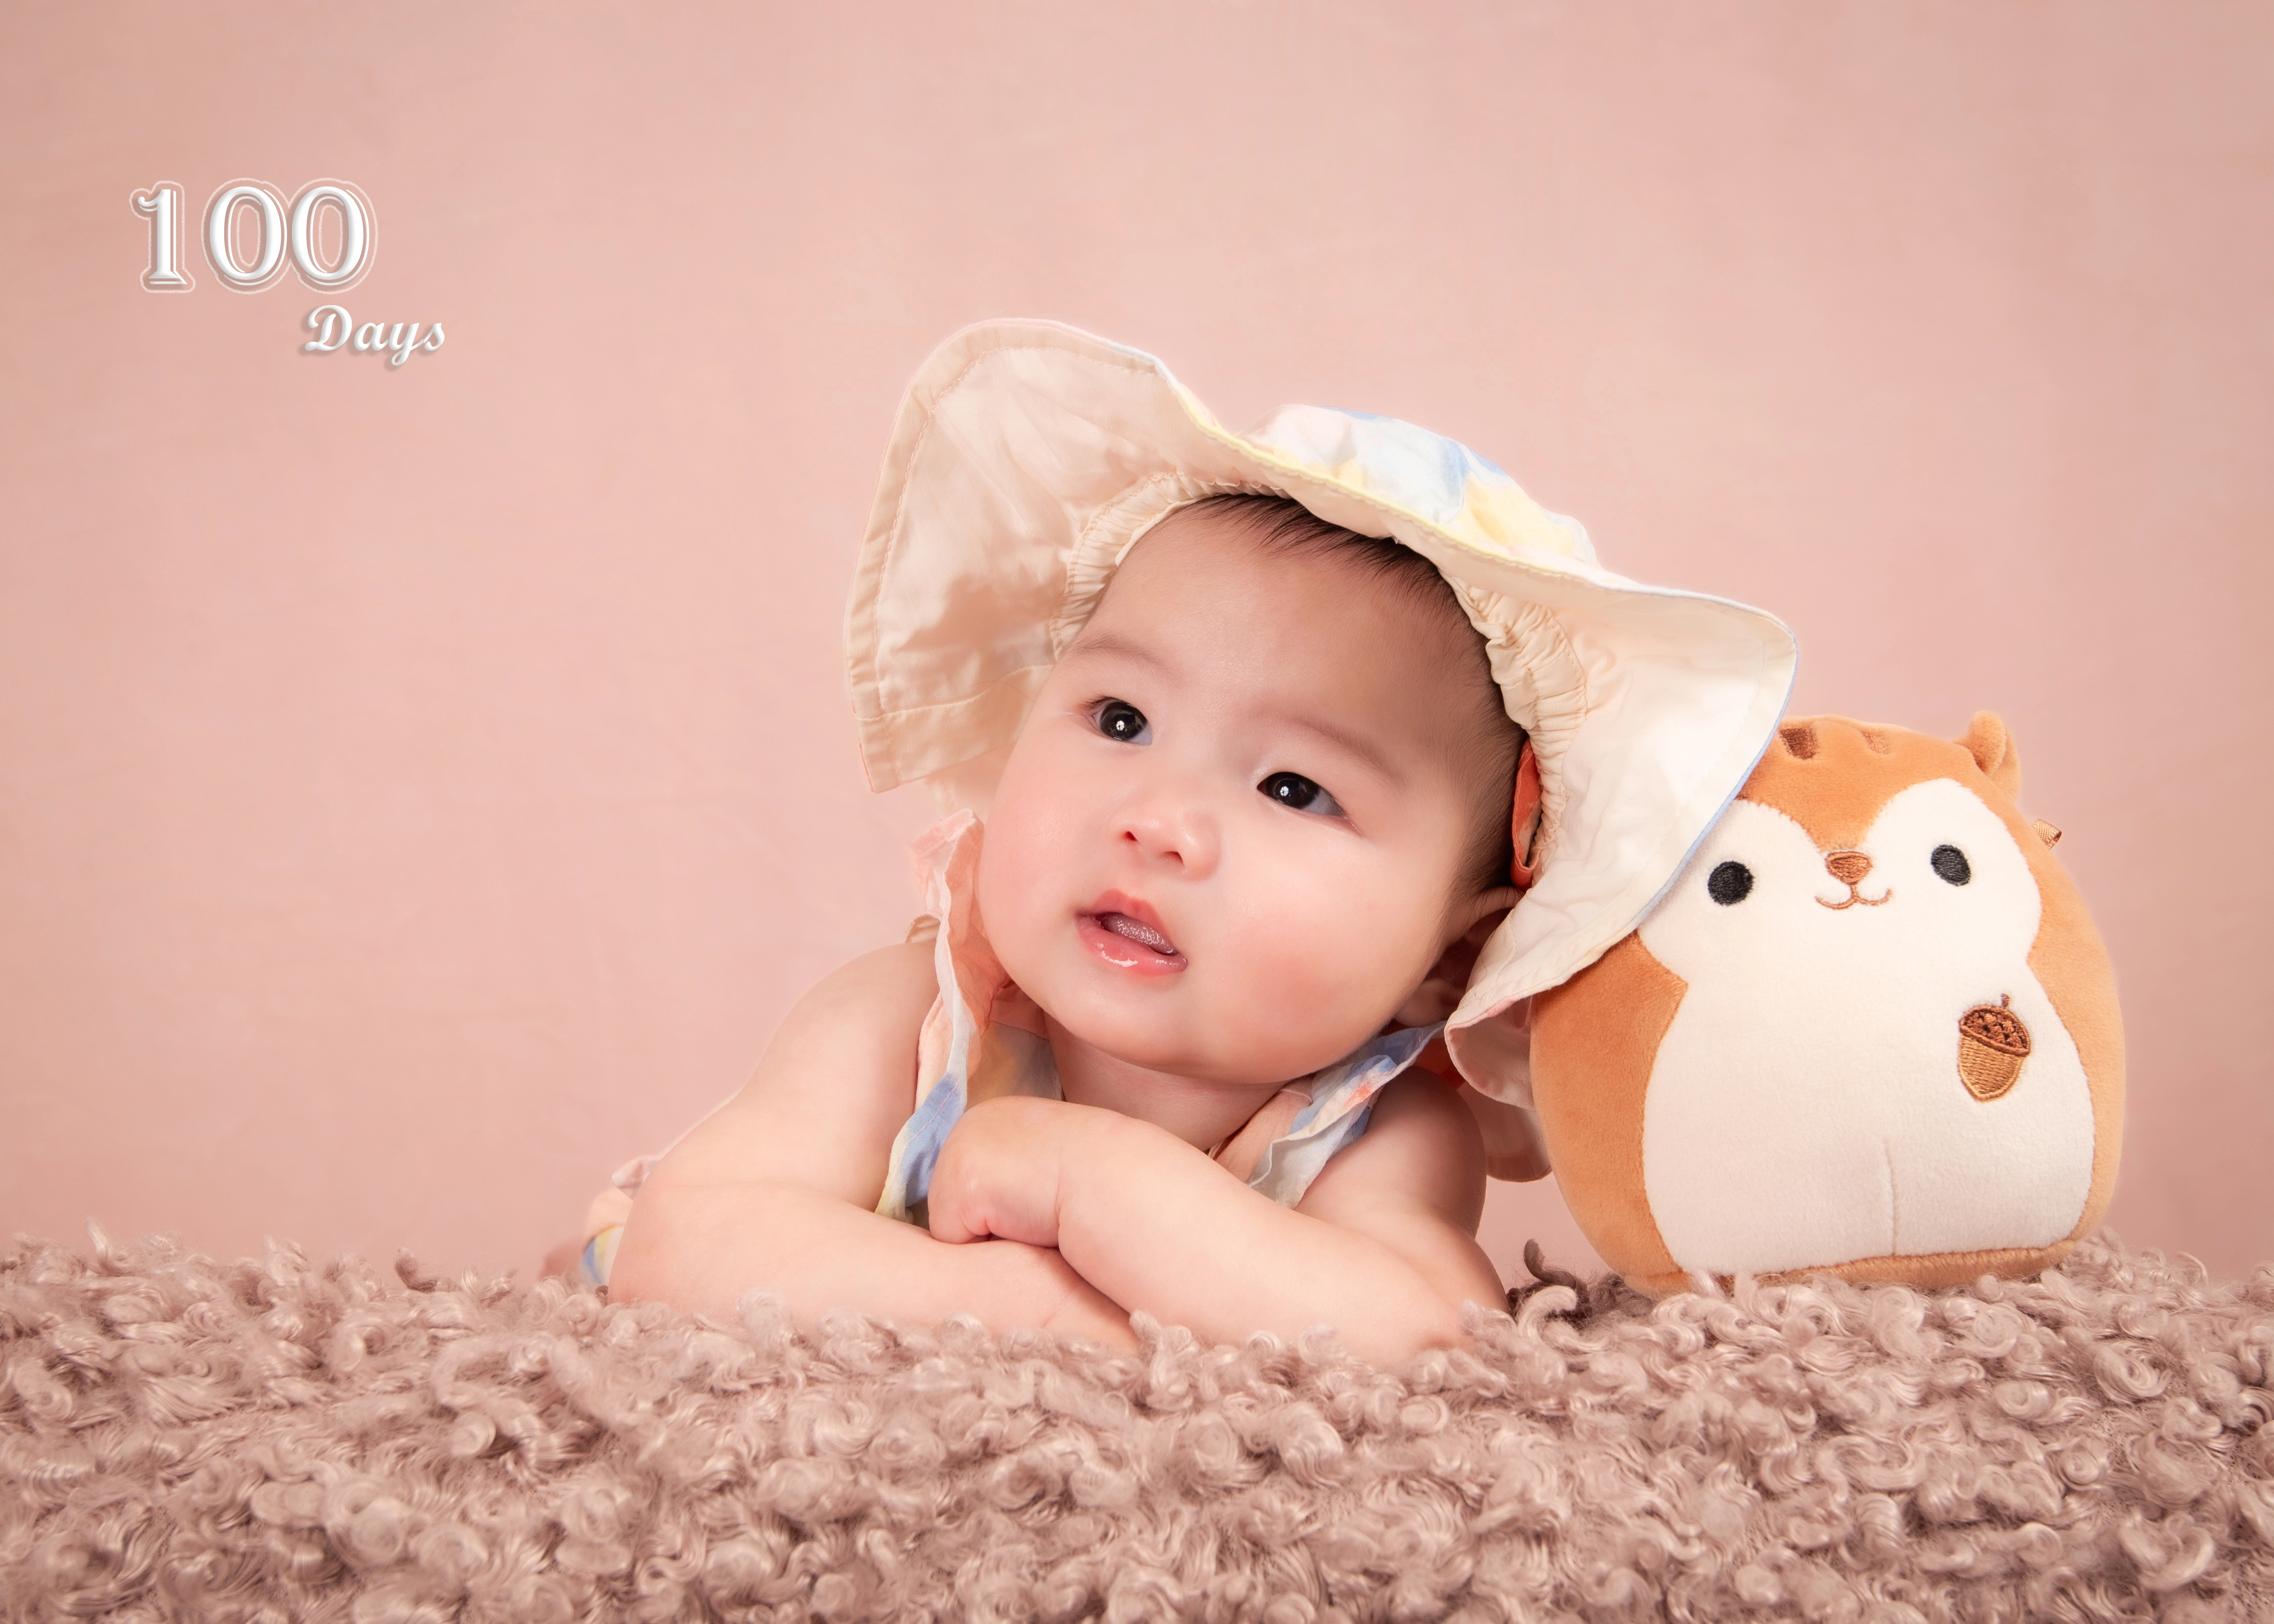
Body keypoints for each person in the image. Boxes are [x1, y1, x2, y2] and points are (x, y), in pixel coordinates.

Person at [576, 322, 1796, 1367]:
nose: (1157, 820)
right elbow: (688, 1246)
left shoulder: (1366, 1128)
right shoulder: (915, 1019)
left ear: (1448, 960)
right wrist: (1038, 1308)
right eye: (1121, 719)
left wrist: (1093, 1181)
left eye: (1293, 787)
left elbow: (1431, 1336)